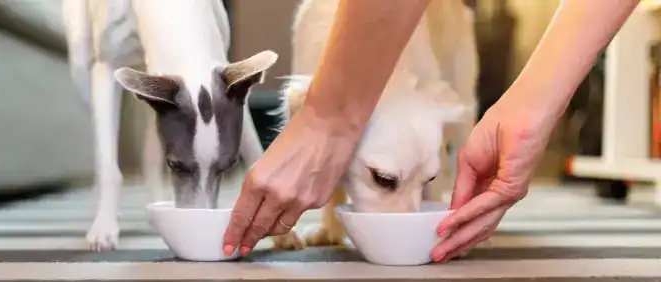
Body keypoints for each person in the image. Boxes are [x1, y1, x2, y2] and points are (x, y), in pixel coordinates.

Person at [222, 0, 640, 261]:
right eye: (384, 179)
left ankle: (450, 209)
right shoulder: (311, 23)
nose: (407, 216)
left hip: (444, 22)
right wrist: (324, 117)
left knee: (449, 123)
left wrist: (534, 106)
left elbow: (441, 119)